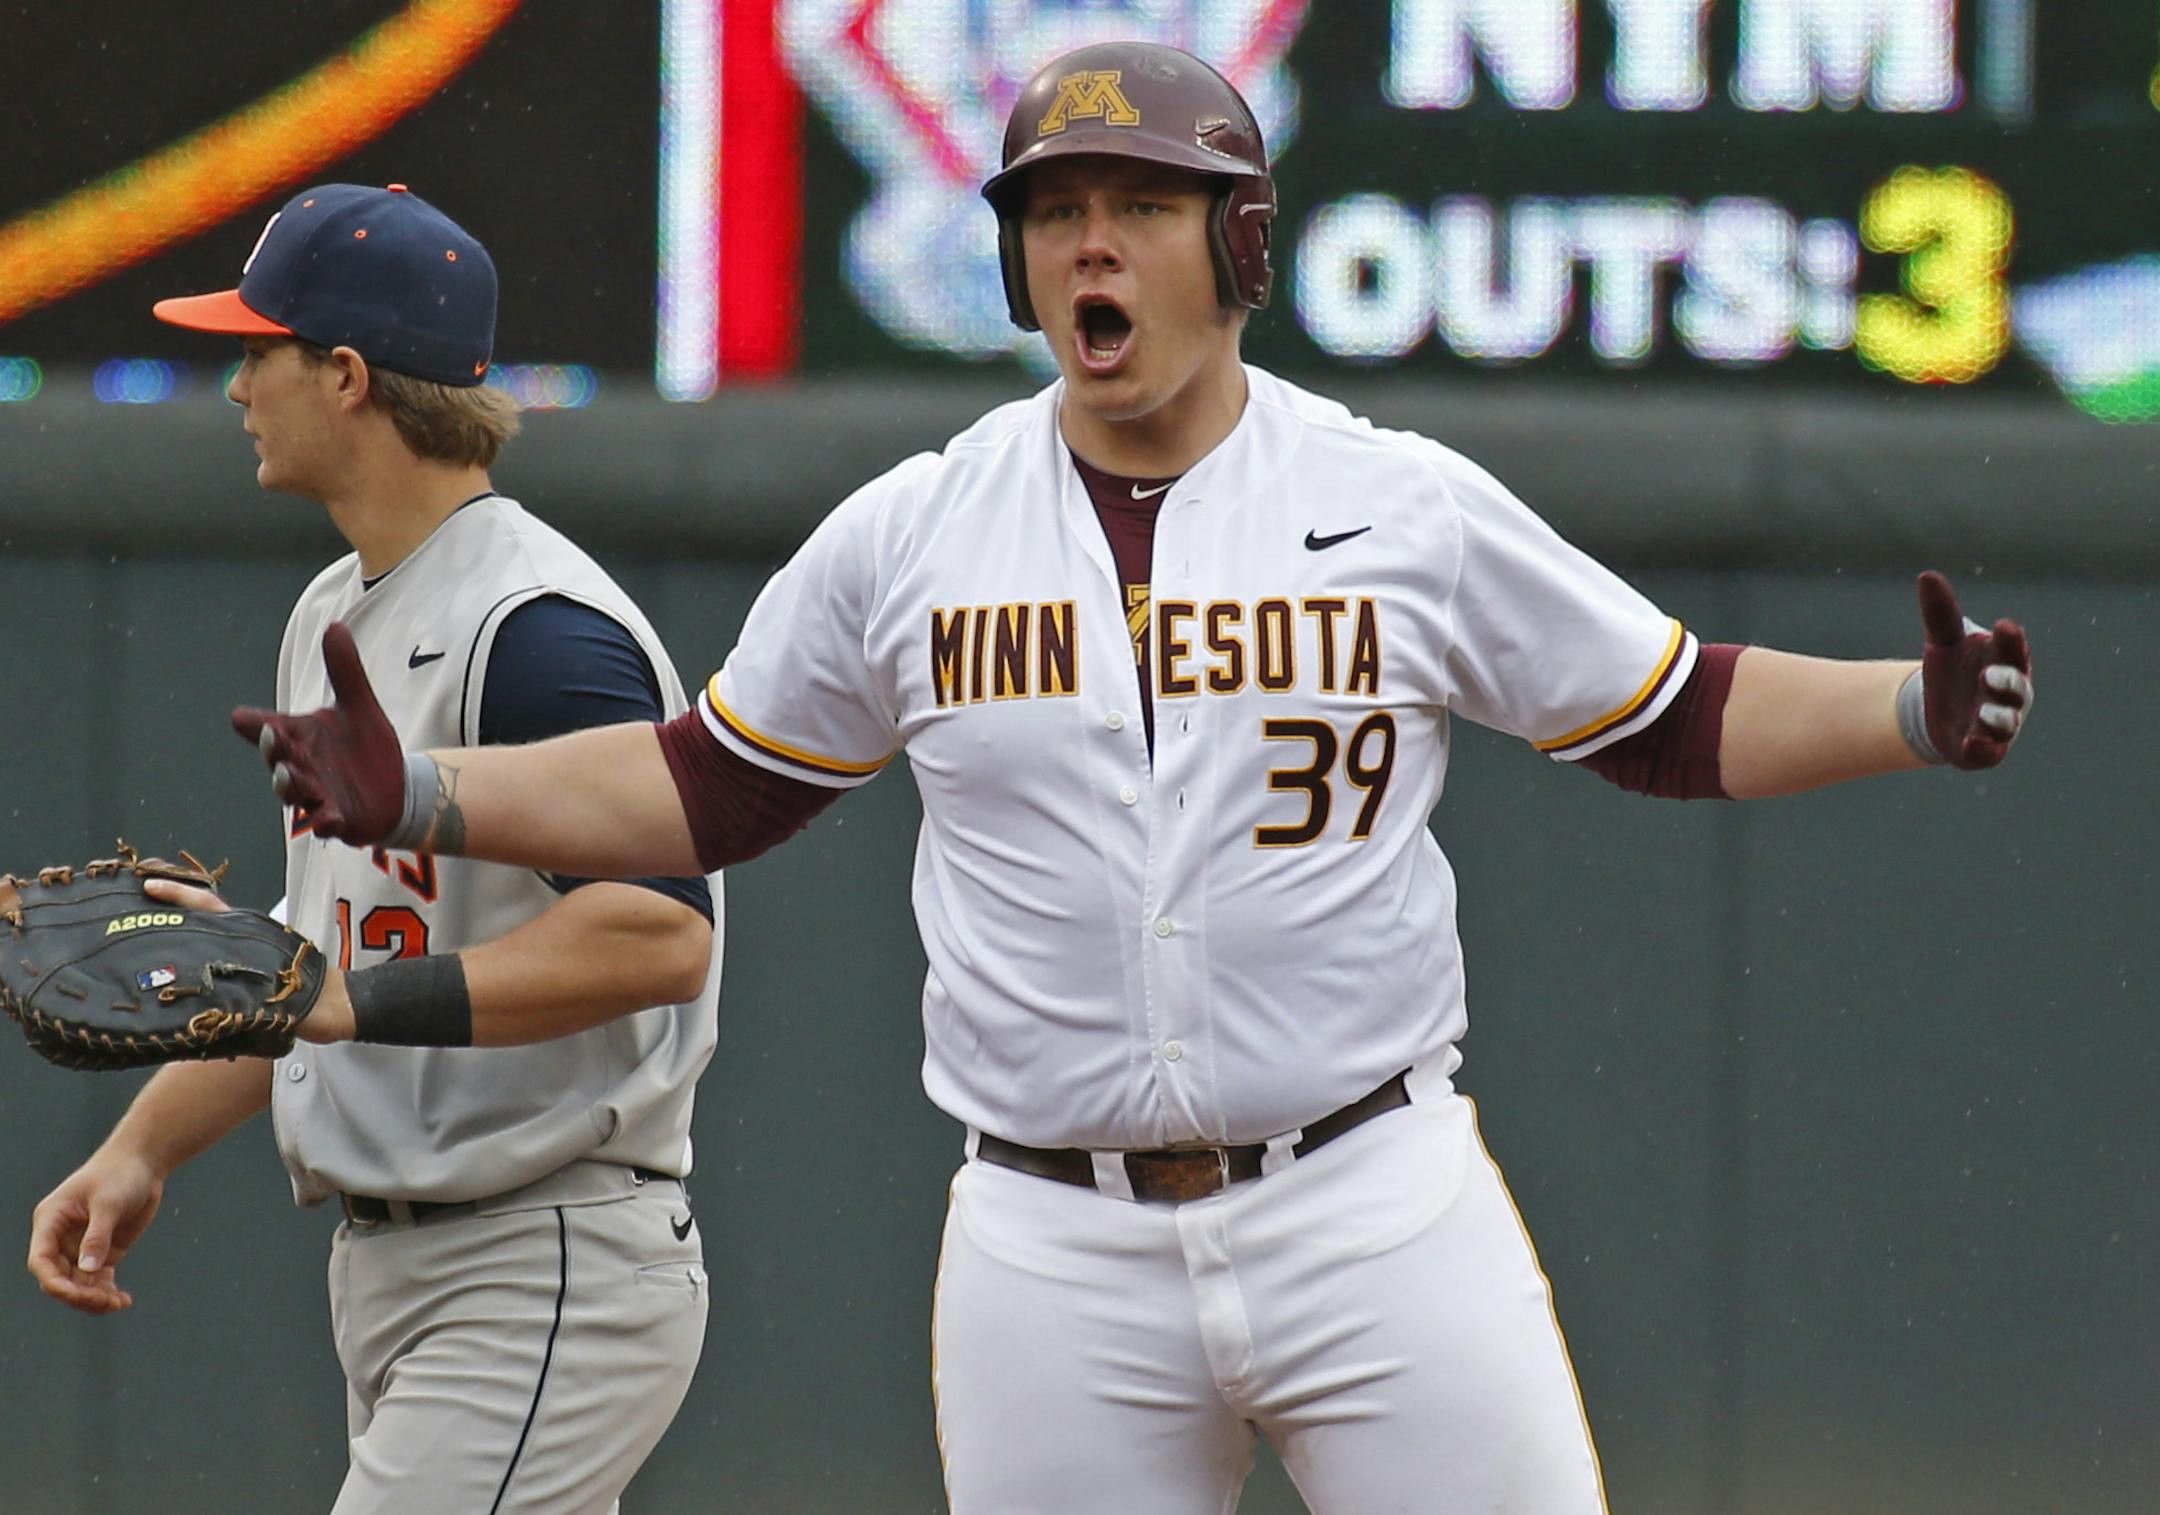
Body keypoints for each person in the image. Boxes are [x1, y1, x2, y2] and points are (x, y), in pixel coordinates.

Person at [236, 45, 2034, 1515]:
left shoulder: (1391, 501)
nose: (1096, 247)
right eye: (1059, 214)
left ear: (1238, 244)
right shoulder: (917, 534)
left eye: (1145, 209)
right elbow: (710, 793)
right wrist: (426, 799)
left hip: (1370, 1198)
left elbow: (1671, 712)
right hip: (1050, 1241)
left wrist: (1904, 711)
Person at [25, 183, 723, 1515]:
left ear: (344, 374)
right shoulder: (333, 612)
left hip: (542, 1255)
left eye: (257, 349)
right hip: (411, 1268)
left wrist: (353, 1001)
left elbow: (660, 933)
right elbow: (313, 971)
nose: (235, 385)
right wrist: (142, 1149)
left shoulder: (538, 630)